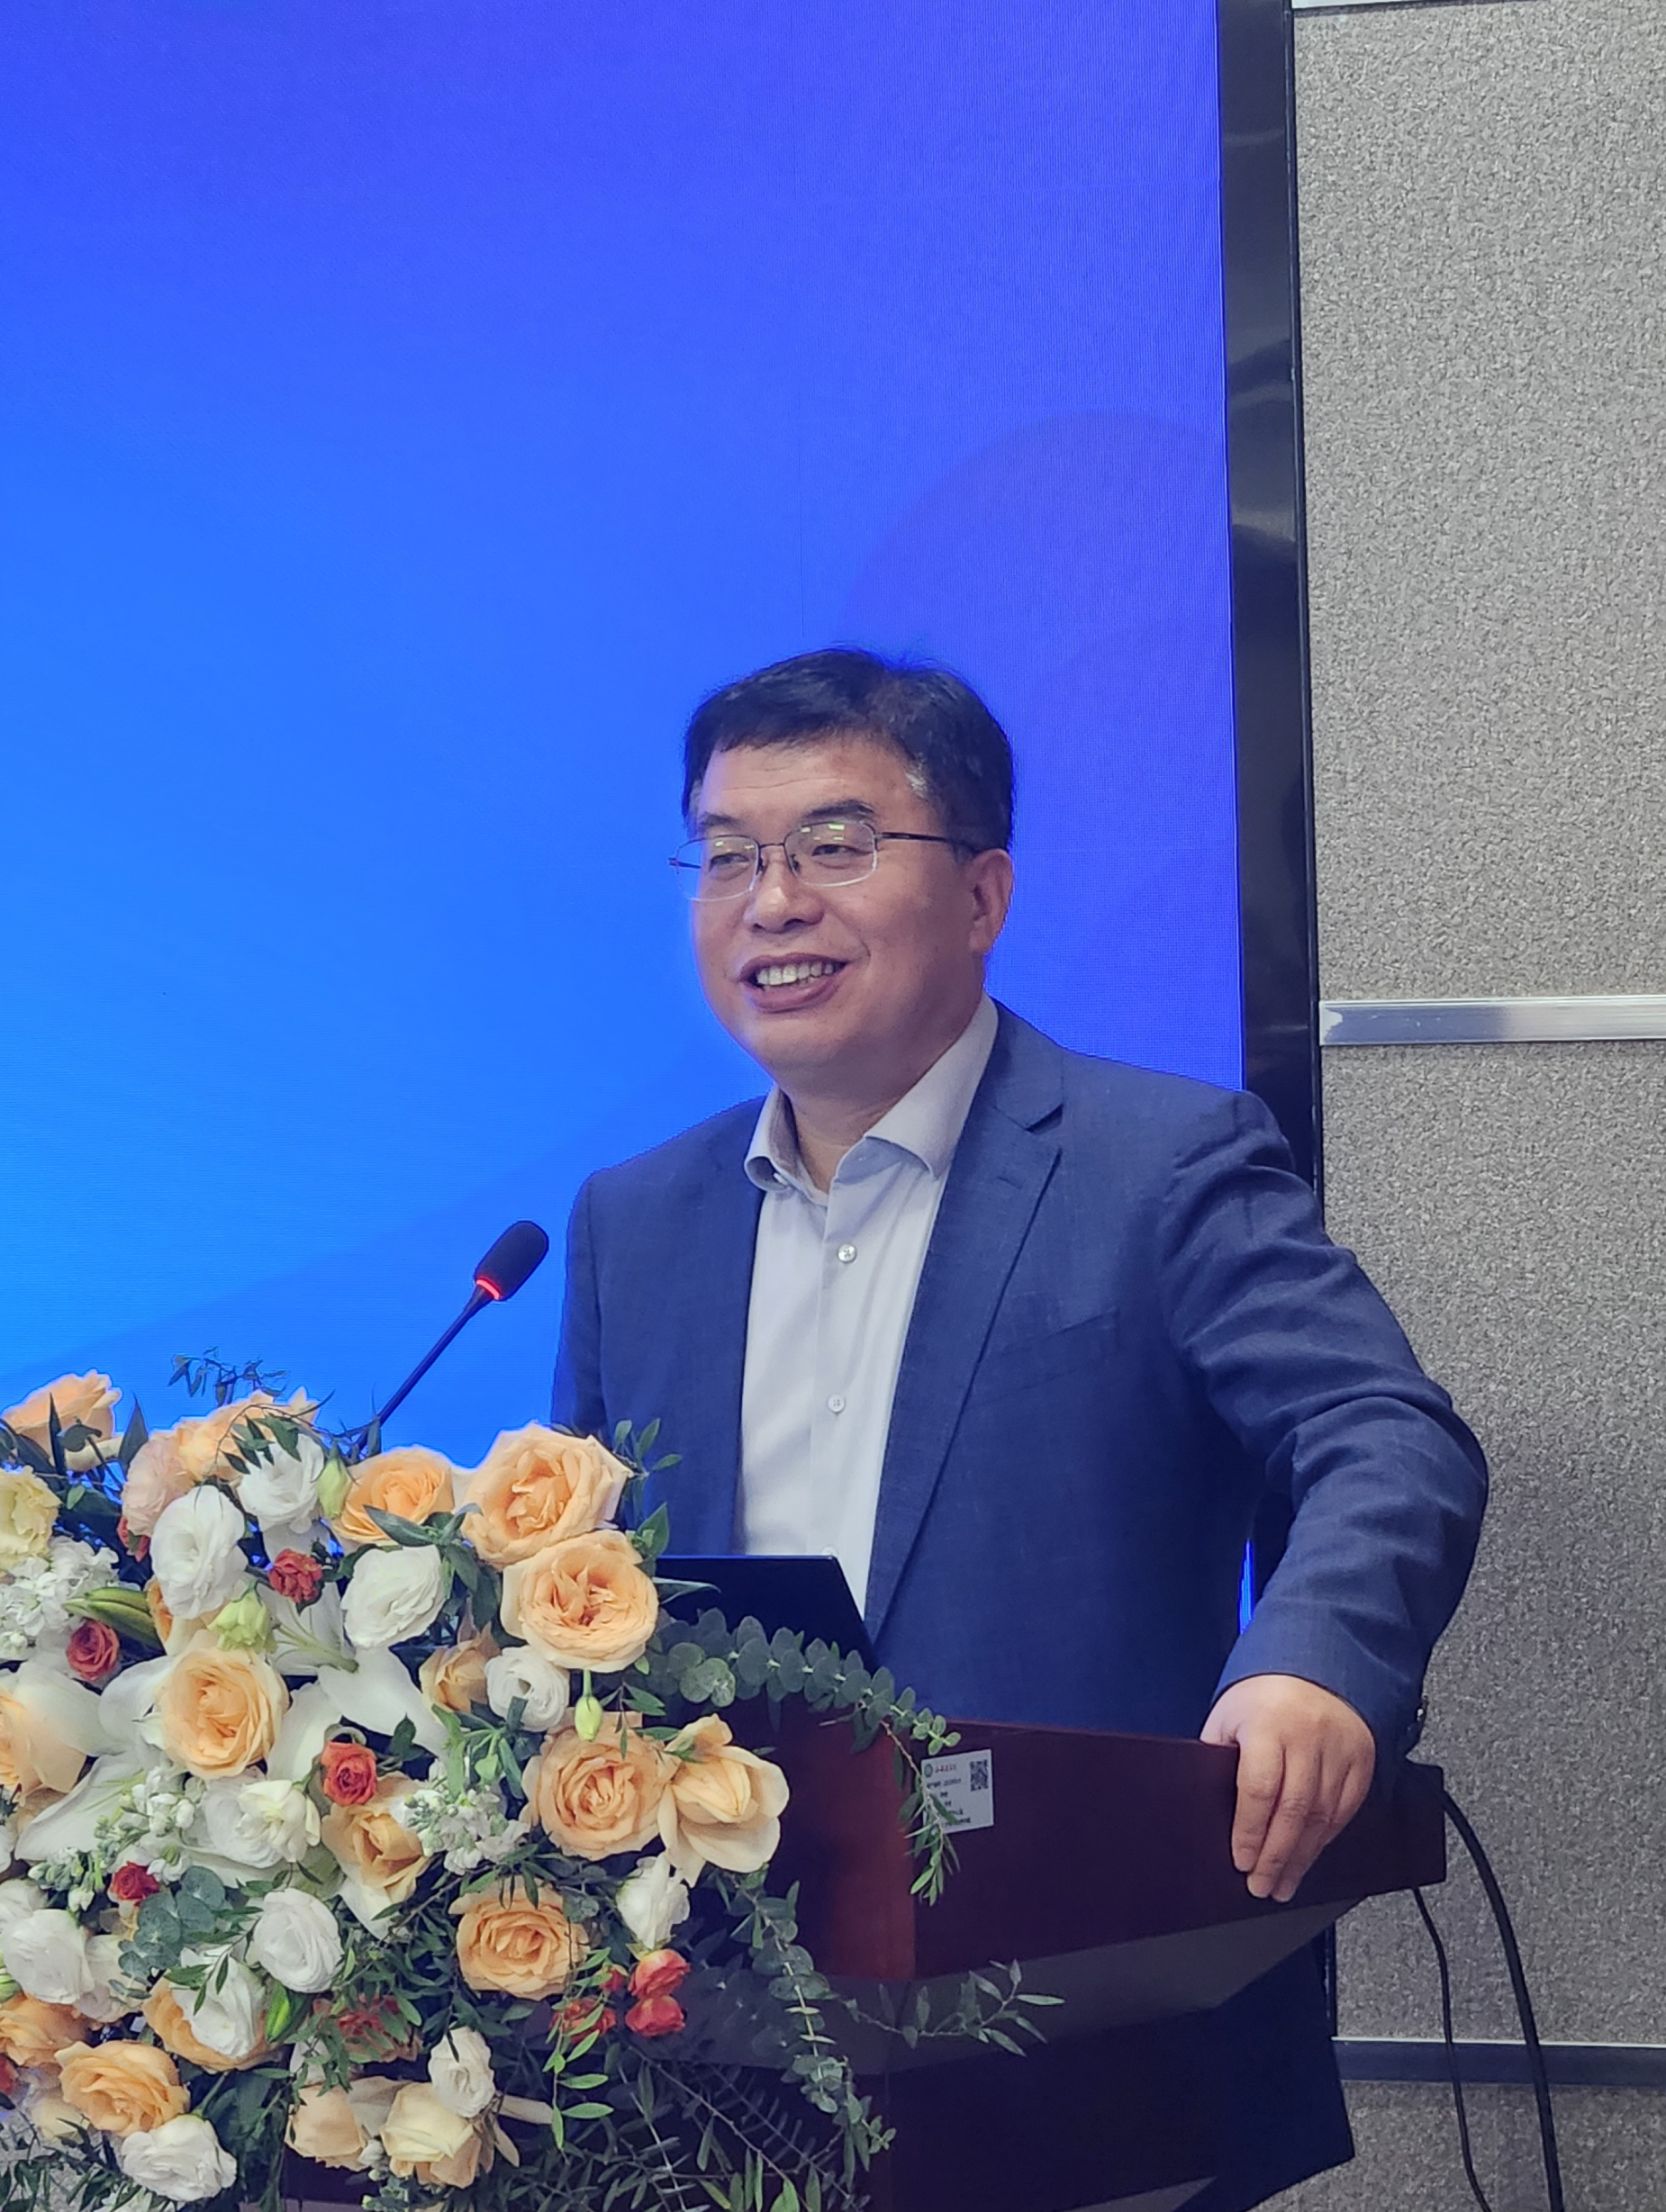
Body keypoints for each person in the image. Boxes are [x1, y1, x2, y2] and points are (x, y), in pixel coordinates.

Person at [552, 646, 1487, 2209]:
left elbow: (1383, 1433)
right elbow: (576, 1593)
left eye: (833, 845)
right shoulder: (631, 1222)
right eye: (728, 857)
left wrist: (1315, 1663)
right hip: (724, 2059)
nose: (771, 903)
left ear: (983, 892)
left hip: (1090, 2030)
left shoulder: (1160, 1162)